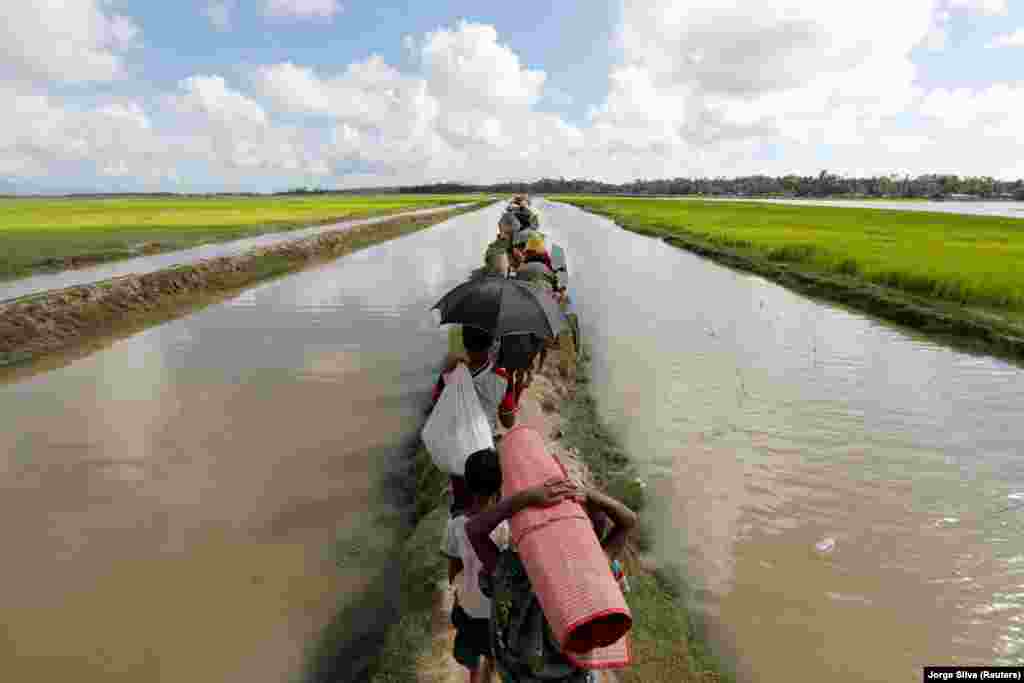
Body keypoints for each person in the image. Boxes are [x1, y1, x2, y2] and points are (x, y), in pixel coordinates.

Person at [467, 476, 638, 683]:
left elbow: (474, 530)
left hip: (520, 674)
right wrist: (589, 494)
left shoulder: (514, 573)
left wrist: (526, 498)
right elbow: (628, 521)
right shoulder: (594, 572)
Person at [430, 325, 519, 514]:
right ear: (490, 344)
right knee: (486, 505)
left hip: (458, 449)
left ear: (464, 342)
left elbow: (436, 404)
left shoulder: (451, 374)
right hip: (485, 452)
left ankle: (459, 528)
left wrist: (447, 368)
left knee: (462, 503)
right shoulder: (502, 377)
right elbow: (508, 422)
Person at [441, 448, 509, 683]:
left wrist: (458, 592)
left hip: (467, 605)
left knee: (471, 656)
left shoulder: (456, 524)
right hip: (495, 610)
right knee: (493, 653)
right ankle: (488, 673)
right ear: (500, 486)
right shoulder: (506, 528)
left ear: (467, 485)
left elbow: (453, 567)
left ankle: (474, 677)